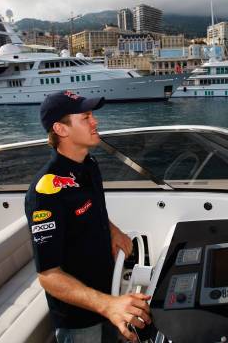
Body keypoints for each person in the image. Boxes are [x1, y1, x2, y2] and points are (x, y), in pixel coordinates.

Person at [25, 90, 151, 342]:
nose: (95, 122)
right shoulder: (46, 190)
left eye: (92, 115)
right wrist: (108, 305)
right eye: (85, 117)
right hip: (79, 319)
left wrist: (113, 231)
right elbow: (49, 276)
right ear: (61, 129)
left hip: (108, 292)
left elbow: (92, 208)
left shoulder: (89, 165)